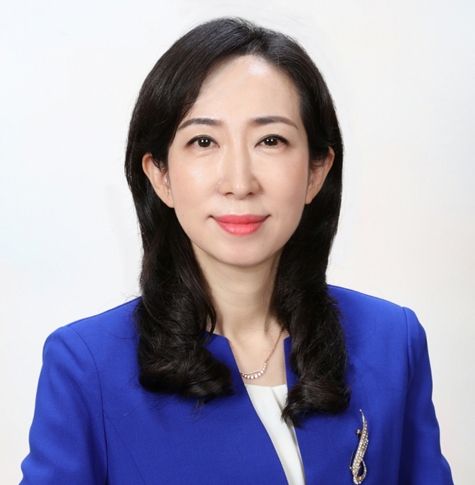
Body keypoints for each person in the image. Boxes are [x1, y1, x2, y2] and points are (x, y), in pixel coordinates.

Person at [20, 17, 453, 484]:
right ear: (161, 175)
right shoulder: (88, 368)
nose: (240, 182)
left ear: (316, 171)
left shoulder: (392, 342)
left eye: (271, 140)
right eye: (204, 141)